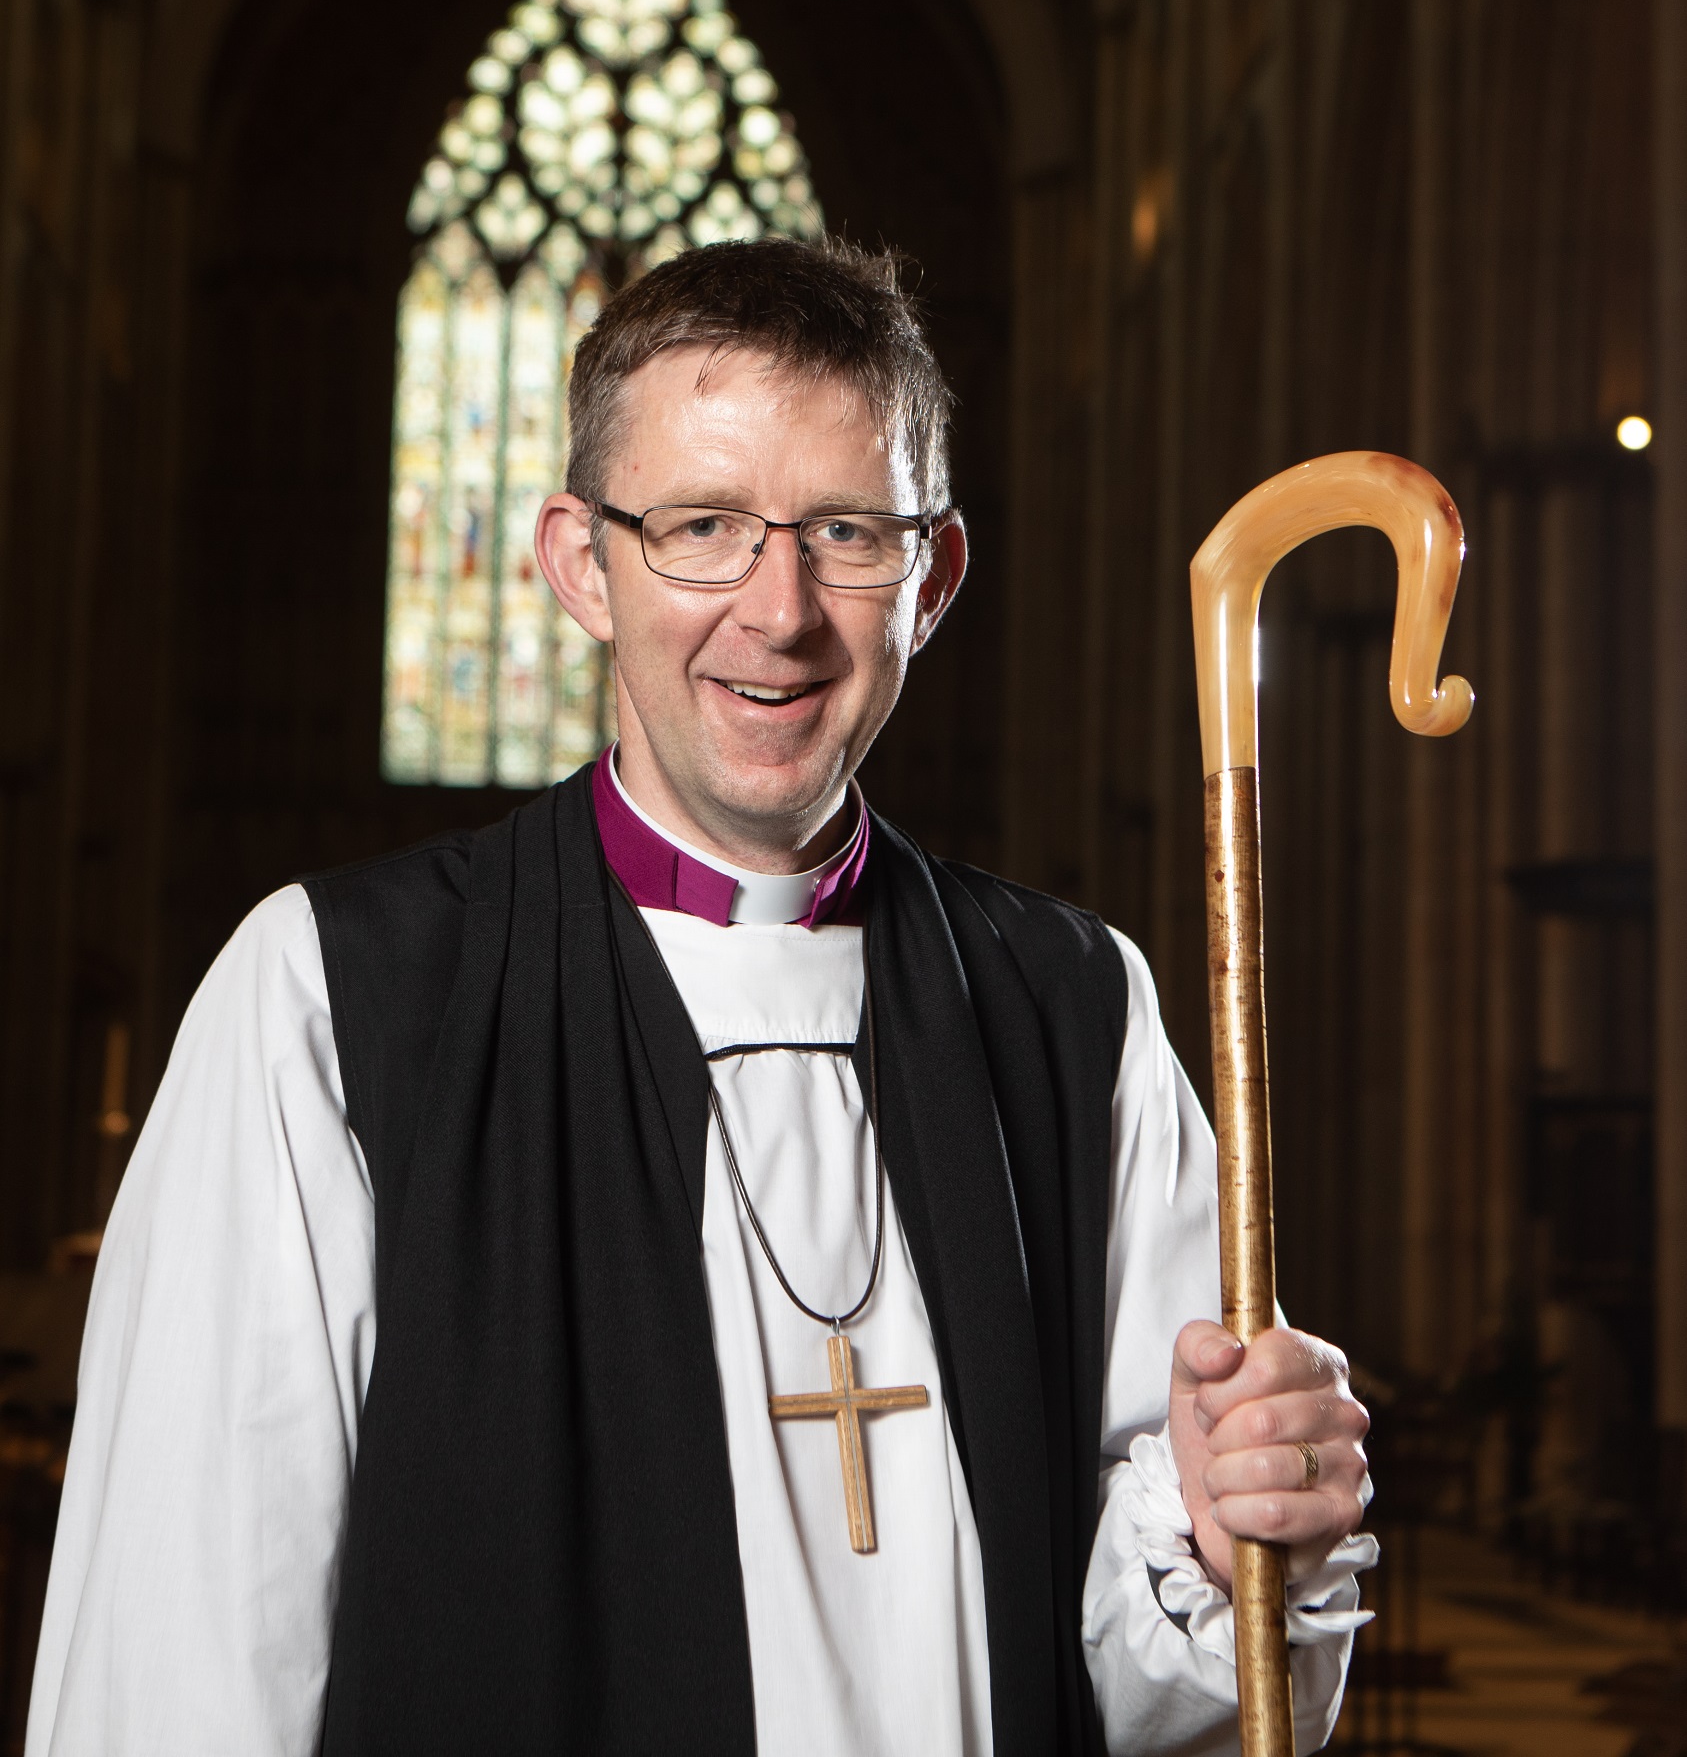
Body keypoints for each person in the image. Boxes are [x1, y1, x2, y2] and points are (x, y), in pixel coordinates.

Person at [27, 239, 1375, 1757]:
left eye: (848, 533)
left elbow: (1156, 1694)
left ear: (931, 579)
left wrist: (1227, 1529)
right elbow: (181, 1672)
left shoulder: (1073, 1013)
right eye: (701, 527)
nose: (778, 610)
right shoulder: (331, 1002)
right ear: (579, 564)